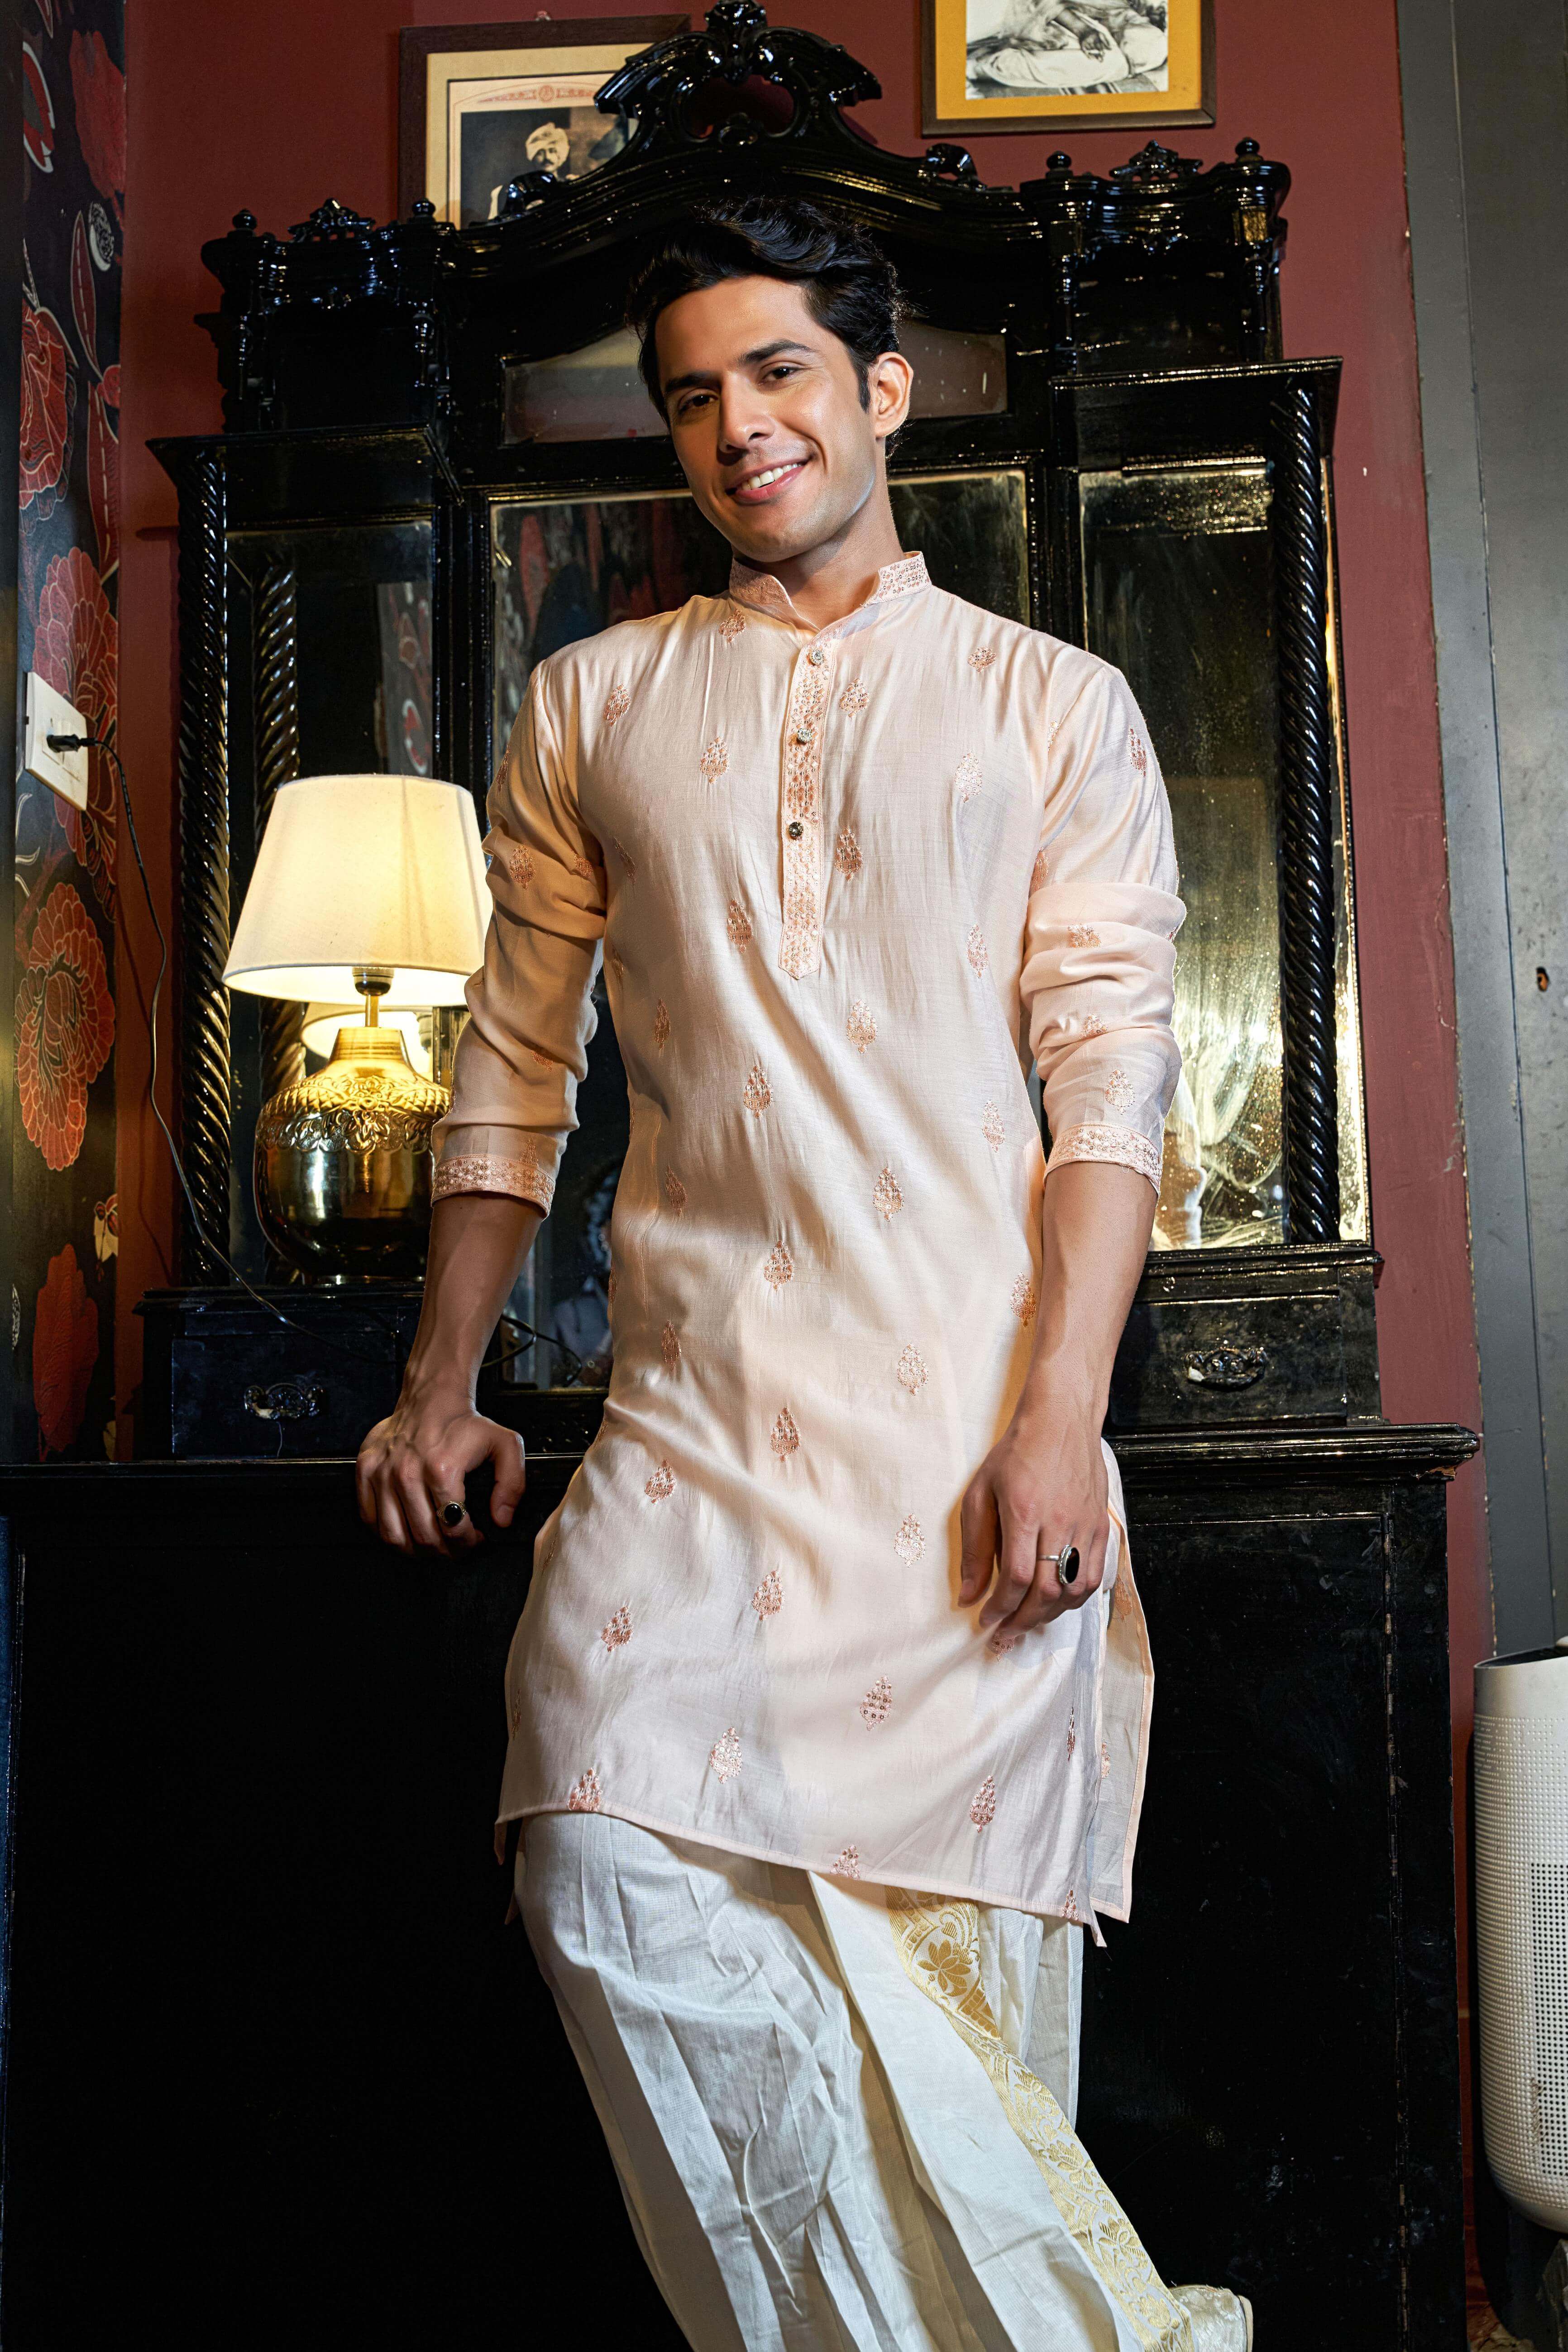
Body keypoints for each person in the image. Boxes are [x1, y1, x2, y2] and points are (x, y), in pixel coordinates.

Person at [357, 196, 1252, 2352]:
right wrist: (439, 1379)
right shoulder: (591, 707)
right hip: (689, 1430)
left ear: (877, 390)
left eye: (775, 375)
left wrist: (1058, 1424)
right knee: (594, 1867)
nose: (736, 427)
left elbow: (1104, 1097)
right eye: (691, 396)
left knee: (960, 2007)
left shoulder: (1053, 708)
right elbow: (509, 1080)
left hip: (967, 1441)